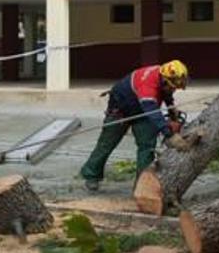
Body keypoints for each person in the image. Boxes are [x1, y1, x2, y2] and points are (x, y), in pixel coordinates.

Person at [80, 60, 189, 191]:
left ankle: (142, 185)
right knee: (107, 143)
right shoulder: (147, 84)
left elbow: (165, 93)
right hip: (121, 110)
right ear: (164, 80)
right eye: (172, 87)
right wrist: (169, 133)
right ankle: (91, 175)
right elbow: (152, 111)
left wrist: (172, 109)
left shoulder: (163, 74)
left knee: (147, 147)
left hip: (143, 112)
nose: (173, 90)